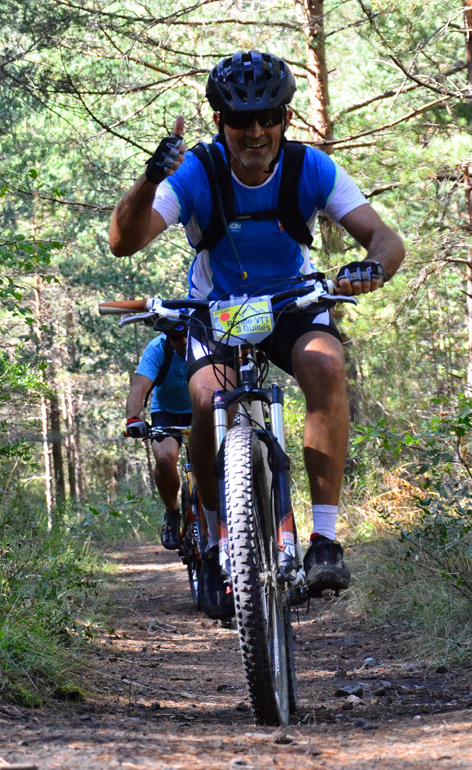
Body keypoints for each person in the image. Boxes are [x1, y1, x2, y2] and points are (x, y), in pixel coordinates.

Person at [109, 50, 405, 619]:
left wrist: (374, 268)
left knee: (325, 363)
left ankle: (323, 541)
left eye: (268, 116)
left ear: (286, 119)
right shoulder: (197, 169)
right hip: (216, 308)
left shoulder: (309, 168)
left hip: (291, 302)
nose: (255, 131)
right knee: (204, 399)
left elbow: (386, 240)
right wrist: (151, 178)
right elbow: (125, 241)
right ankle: (225, 541)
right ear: (218, 121)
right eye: (240, 119)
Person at [124, 323, 192, 551]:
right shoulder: (158, 349)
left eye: (187, 336)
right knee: (164, 459)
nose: (183, 342)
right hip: (167, 412)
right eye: (176, 337)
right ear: (167, 337)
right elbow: (139, 389)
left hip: (204, 410)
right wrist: (133, 418)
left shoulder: (208, 345)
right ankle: (173, 513)